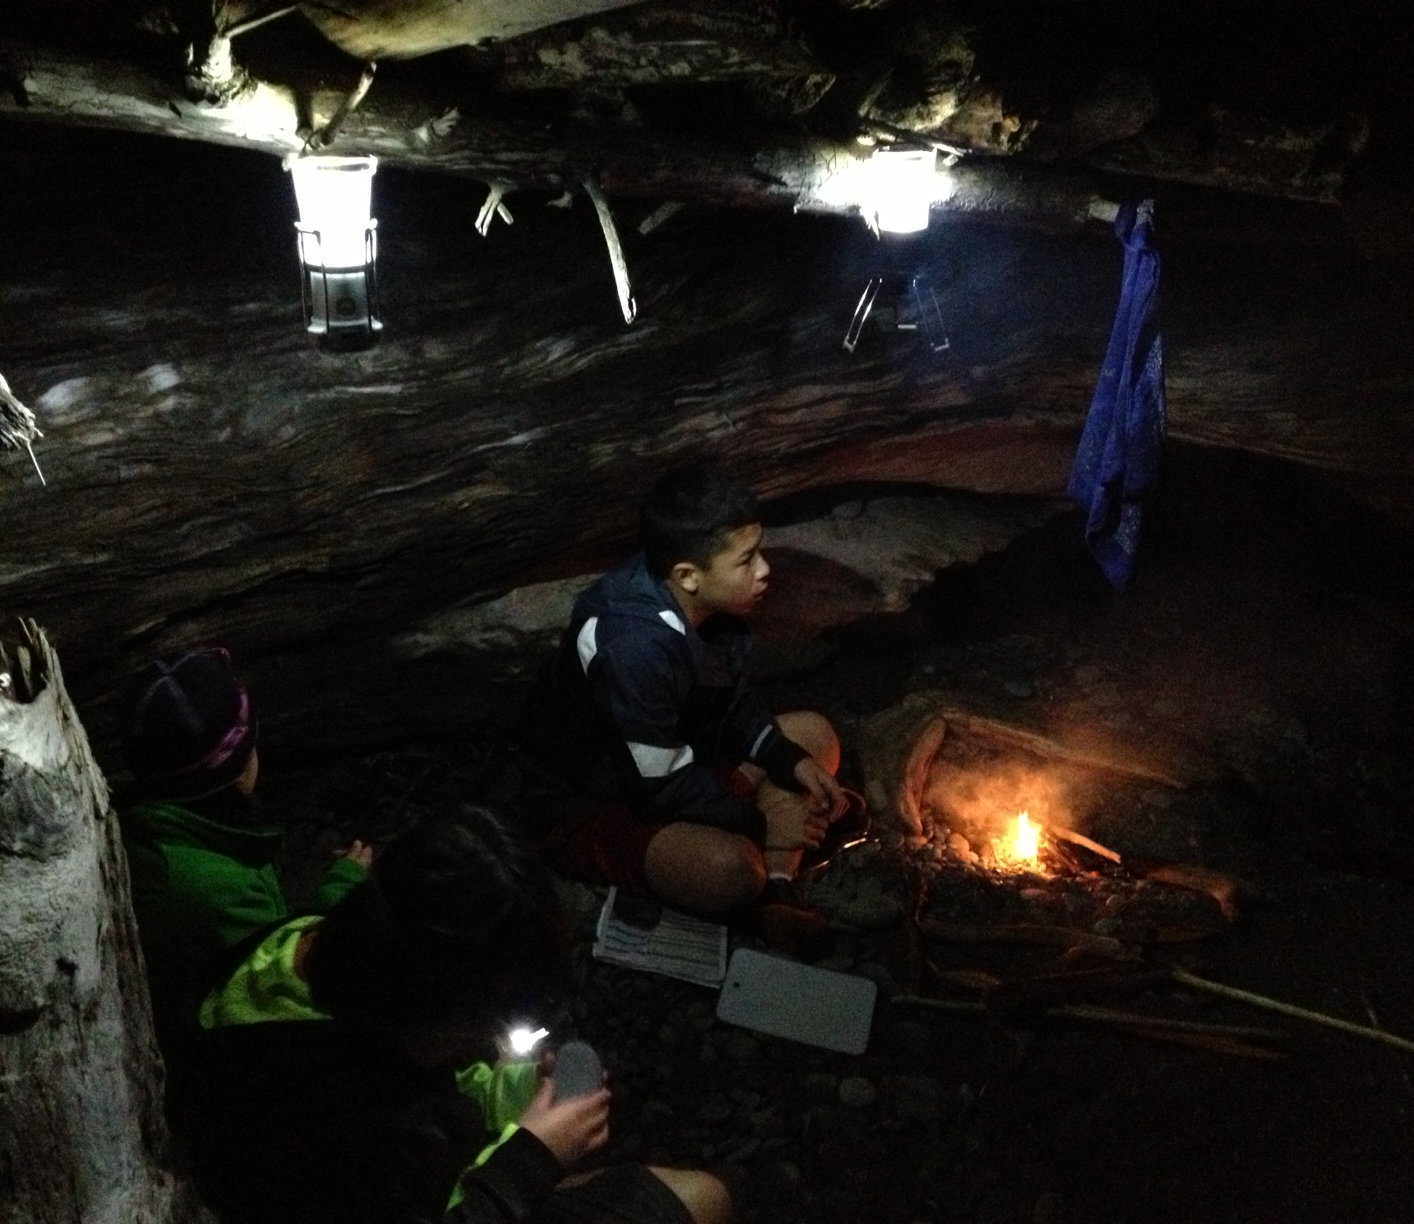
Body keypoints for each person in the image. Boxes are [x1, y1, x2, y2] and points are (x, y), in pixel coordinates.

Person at [184, 803, 732, 1224]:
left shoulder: (308, 947)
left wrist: (520, 1093)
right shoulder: (363, 1131)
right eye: (482, 1030)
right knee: (704, 1199)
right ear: (434, 1023)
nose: (488, 1042)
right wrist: (534, 1157)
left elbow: (445, 1081)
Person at [519, 462, 863, 916]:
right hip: (599, 804)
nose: (764, 570)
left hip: (680, 761)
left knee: (812, 737)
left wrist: (787, 760)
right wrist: (763, 823)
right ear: (687, 575)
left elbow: (728, 707)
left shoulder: (698, 605)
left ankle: (779, 885)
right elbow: (659, 786)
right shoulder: (633, 646)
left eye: (758, 552)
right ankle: (772, 865)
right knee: (730, 870)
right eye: (746, 560)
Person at [117, 646, 367, 1064]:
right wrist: (343, 891)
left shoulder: (141, 836)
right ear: (238, 768)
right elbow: (283, 981)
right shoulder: (225, 892)